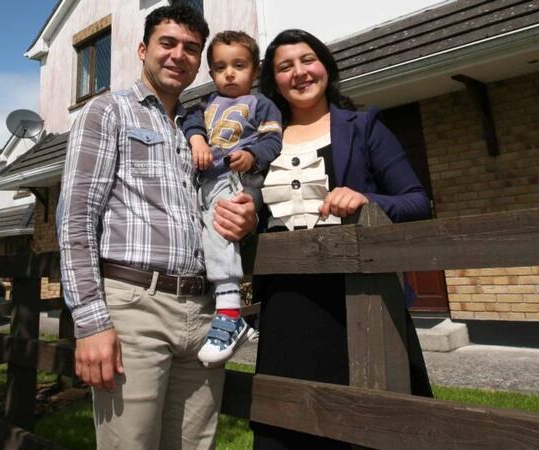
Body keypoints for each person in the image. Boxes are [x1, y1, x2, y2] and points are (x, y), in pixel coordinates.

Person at [55, 4, 257, 449]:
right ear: (143, 48)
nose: (178, 55)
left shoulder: (202, 127)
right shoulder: (107, 112)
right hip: (134, 308)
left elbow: (219, 206)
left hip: (203, 314)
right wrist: (89, 323)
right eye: (168, 43)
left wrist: (245, 215)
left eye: (190, 48)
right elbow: (75, 220)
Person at [251, 29, 434, 450]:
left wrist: (365, 198)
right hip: (287, 306)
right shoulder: (262, 141)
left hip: (361, 301)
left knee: (376, 425)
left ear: (325, 67)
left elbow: (417, 201)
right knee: (289, 426)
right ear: (273, 81)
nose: (299, 72)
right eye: (285, 66)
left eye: (307, 59)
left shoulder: (364, 125)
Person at [182, 30, 282, 366]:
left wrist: (253, 155)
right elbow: (190, 123)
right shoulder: (205, 104)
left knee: (221, 229)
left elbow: (272, 142)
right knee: (200, 236)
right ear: (211, 74)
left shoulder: (262, 104)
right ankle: (215, 309)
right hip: (203, 182)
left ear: (254, 70)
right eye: (221, 67)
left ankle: (230, 312)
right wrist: (196, 141)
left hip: (236, 178)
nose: (229, 73)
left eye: (238, 65)